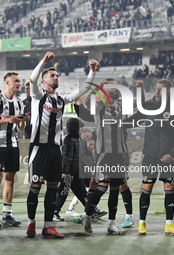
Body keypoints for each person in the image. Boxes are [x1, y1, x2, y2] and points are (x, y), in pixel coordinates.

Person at [26, 52, 99, 238]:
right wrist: (43, 61)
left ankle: (48, 226)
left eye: (57, 75)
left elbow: (81, 91)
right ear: (44, 81)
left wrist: (92, 73)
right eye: (52, 75)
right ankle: (31, 223)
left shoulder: (61, 99)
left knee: (52, 189)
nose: (56, 77)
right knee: (34, 189)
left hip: (55, 151)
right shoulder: (37, 95)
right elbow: (32, 78)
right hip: (38, 148)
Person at [72, 79, 143, 234]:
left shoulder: (121, 105)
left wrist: (140, 89)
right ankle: (88, 216)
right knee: (101, 187)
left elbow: (141, 103)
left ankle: (111, 224)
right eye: (113, 86)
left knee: (115, 189)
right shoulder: (99, 105)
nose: (117, 89)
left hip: (120, 154)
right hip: (104, 154)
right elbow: (85, 105)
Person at [124, 79, 174, 236]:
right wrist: (115, 123)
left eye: (161, 90)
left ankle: (169, 225)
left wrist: (171, 154)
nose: (157, 92)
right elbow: (132, 120)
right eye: (156, 89)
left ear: (169, 92)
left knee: (169, 189)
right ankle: (142, 224)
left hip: (169, 157)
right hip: (150, 156)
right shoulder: (149, 107)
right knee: (147, 188)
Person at [0, 72, 30, 228]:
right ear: (7, 83)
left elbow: (20, 128)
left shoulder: (20, 102)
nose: (19, 84)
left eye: (19, 81)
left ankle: (7, 215)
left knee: (10, 180)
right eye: (16, 81)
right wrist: (9, 119)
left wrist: (23, 121)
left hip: (13, 144)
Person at [53, 118, 89, 221]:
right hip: (68, 174)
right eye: (79, 127)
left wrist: (87, 166)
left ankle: (90, 210)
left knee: (82, 193)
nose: (82, 129)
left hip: (77, 172)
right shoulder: (68, 140)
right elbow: (66, 157)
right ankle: (55, 212)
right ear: (74, 128)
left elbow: (81, 157)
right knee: (63, 192)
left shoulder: (79, 139)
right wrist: (64, 172)